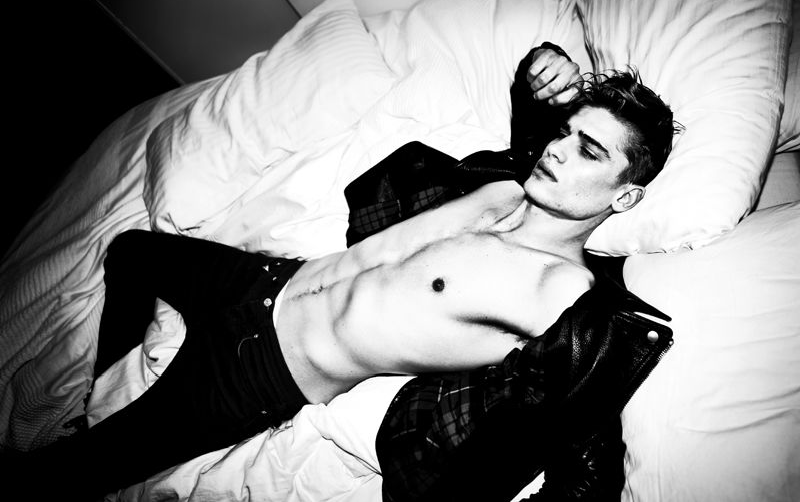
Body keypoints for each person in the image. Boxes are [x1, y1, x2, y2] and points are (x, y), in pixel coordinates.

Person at [9, 42, 678, 500]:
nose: (559, 152)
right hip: (266, 281)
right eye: (565, 134)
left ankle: (85, 440)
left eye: (588, 151)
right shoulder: (509, 185)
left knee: (58, 477)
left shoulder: (562, 293)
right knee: (133, 251)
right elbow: (534, 114)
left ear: (625, 198)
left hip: (260, 371)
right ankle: (94, 400)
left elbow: (585, 443)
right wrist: (542, 67)